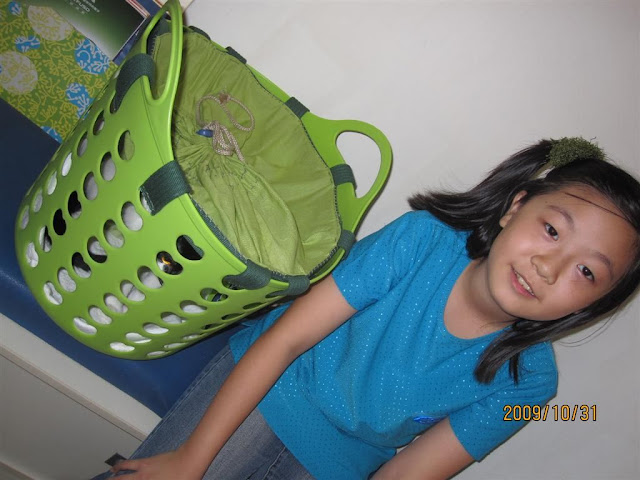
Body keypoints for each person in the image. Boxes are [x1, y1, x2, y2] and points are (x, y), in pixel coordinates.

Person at [96, 137, 640, 480]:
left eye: (587, 272)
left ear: (596, 302)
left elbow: (408, 473)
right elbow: (286, 340)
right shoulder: (423, 241)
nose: (549, 267)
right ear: (515, 207)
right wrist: (192, 460)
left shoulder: (530, 387)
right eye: (552, 230)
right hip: (271, 387)